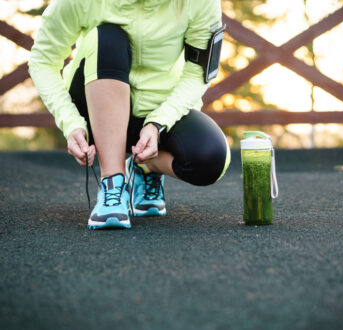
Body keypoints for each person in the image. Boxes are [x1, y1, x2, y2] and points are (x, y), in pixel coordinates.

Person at [29, 0, 231, 230]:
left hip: (160, 109)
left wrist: (158, 123)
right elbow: (42, 61)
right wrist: (71, 122)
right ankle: (112, 182)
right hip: (94, 107)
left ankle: (146, 166)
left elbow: (197, 74)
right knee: (109, 37)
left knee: (210, 159)